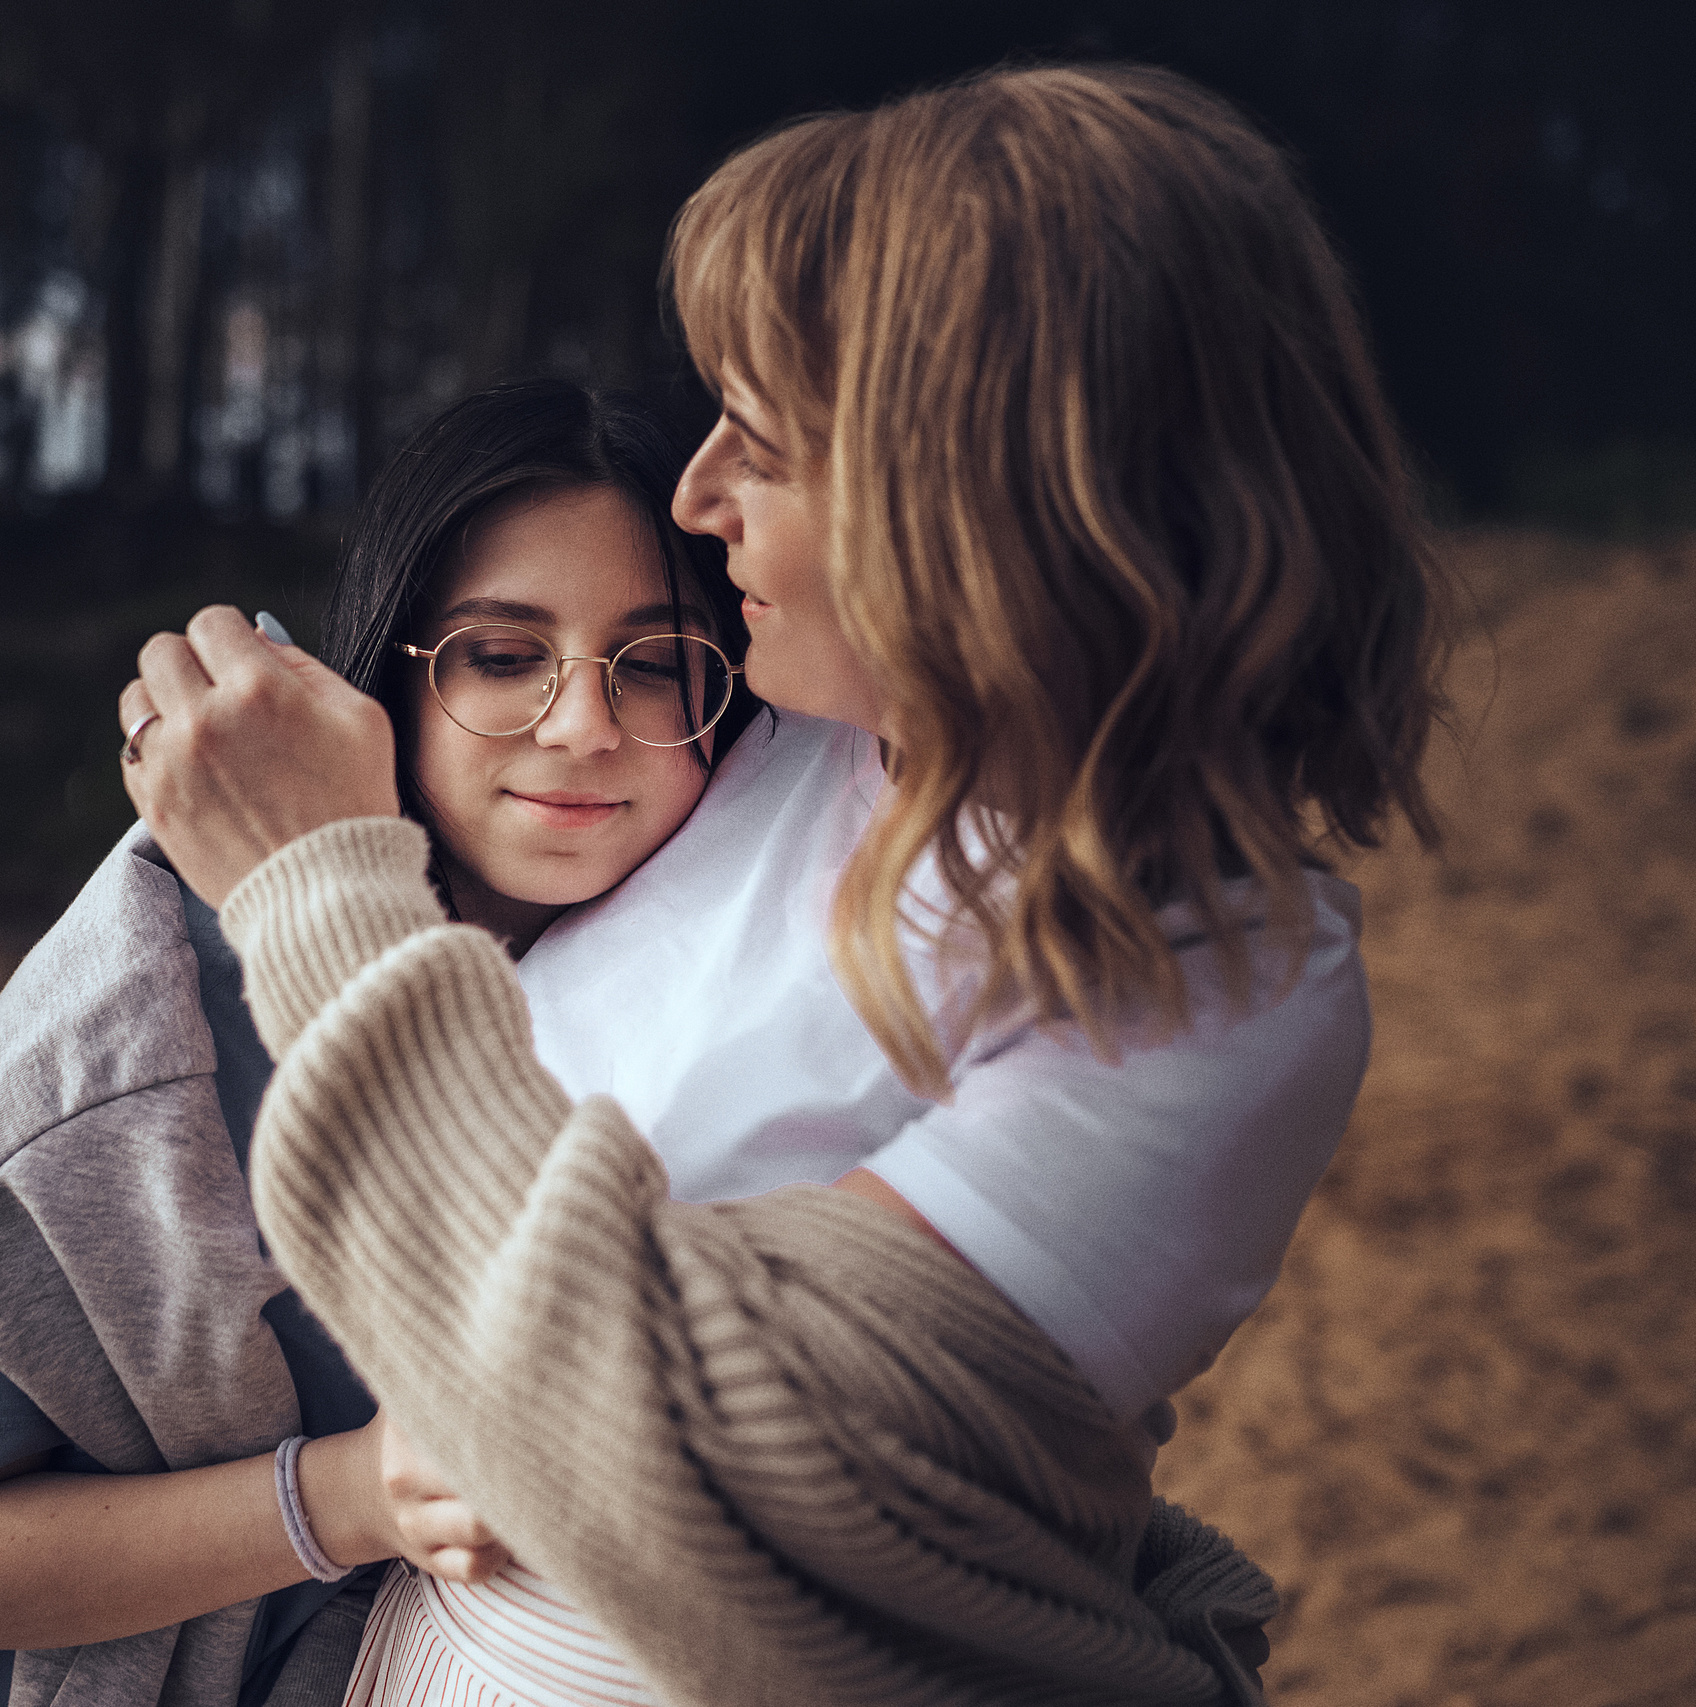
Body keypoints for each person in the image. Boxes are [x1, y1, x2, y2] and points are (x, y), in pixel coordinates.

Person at [117, 62, 1446, 1707]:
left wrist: (317, 885)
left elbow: (690, 1472)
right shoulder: (769, 735)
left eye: (770, 437)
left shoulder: (1215, 971)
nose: (697, 494)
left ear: (980, 480)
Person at [0, 378, 758, 1707]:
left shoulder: (710, 955)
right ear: (391, 682)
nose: (585, 725)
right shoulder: (169, 1019)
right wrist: (348, 1498)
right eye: (503, 655)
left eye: (654, 665)